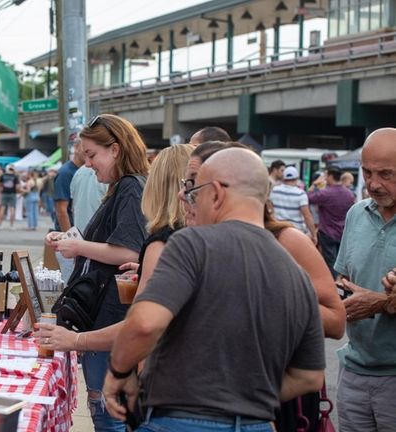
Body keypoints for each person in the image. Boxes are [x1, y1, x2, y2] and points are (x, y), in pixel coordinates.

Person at [104, 148, 325, 432]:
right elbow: (309, 377)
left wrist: (119, 371)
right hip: (255, 423)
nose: (185, 197)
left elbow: (145, 324)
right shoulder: (295, 272)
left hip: (179, 419)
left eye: (194, 190)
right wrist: (244, 396)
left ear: (217, 193)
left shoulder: (191, 243)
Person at [183, 141, 345, 431]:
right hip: (212, 395)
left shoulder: (285, 240)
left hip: (279, 395)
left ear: (222, 188)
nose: (185, 194)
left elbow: (335, 321)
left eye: (193, 184)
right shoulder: (197, 244)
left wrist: (263, 296)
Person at [45, 114, 149, 432]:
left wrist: (78, 248)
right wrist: (73, 242)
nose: (88, 164)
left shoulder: (130, 187)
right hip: (107, 314)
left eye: (91, 155)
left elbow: (128, 251)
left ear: (115, 149)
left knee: (107, 412)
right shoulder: (124, 186)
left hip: (111, 316)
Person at [36, 144, 192, 353]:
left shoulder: (162, 239)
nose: (88, 163)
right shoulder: (199, 236)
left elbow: (143, 324)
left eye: (91, 154)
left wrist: (77, 341)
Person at [334, 128, 396, 432]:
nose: (373, 184)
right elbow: (344, 279)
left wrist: (384, 303)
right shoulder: (356, 214)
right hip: (354, 374)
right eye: (367, 172)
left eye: (386, 174)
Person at [308, 166, 355, 277]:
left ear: (330, 176)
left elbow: (308, 197)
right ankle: (341, 283)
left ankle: (335, 285)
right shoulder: (349, 194)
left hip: (327, 232)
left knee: (330, 262)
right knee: (341, 262)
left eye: (326, 176)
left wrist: (315, 184)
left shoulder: (326, 193)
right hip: (342, 231)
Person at [52, 141, 84, 282]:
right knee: (70, 282)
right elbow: (61, 210)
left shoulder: (84, 170)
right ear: (76, 148)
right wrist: (71, 239)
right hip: (69, 240)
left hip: (79, 241)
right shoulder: (66, 173)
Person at [270, 166, 317, 243]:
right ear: (296, 179)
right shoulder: (300, 194)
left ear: (284, 178)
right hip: (296, 232)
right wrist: (314, 235)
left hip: (278, 230)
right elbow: (307, 216)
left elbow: (271, 210)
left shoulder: (274, 191)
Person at [70, 164, 107, 235]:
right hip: (98, 237)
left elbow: (73, 206)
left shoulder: (78, 172)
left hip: (79, 234)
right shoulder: (109, 173)